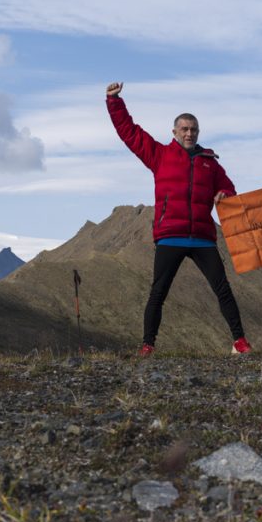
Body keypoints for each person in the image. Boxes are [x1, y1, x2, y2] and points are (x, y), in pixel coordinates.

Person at [106, 81, 250, 356]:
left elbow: (229, 189)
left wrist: (223, 194)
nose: (189, 133)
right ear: (174, 132)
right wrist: (114, 102)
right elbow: (130, 133)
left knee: (223, 290)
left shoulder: (211, 163)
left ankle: (240, 342)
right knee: (158, 292)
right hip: (170, 235)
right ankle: (148, 345)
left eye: (193, 129)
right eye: (184, 129)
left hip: (203, 238)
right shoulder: (159, 155)